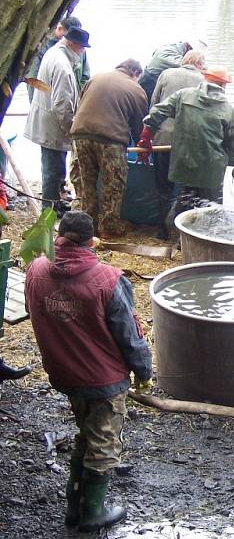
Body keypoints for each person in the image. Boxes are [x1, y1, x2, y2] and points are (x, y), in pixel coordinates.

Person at [25, 211, 152, 532]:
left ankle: (74, 502)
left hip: (66, 375)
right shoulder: (108, 280)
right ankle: (92, 512)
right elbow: (130, 336)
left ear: (58, 237)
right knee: (105, 444)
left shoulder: (36, 269)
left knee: (88, 432)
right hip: (103, 380)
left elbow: (34, 311)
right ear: (92, 242)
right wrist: (144, 372)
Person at [138, 66, 234, 226]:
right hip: (211, 169)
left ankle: (167, 232)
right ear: (223, 86)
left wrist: (145, 140)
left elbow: (155, 115)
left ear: (205, 79)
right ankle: (199, 237)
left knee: (187, 196)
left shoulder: (183, 95)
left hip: (184, 163)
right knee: (211, 208)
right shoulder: (228, 110)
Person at [69, 59, 148, 237]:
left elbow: (80, 105)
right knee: (113, 183)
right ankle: (109, 227)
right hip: (110, 140)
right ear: (136, 74)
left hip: (80, 135)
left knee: (86, 183)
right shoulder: (136, 89)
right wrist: (141, 145)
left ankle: (87, 225)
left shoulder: (95, 78)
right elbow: (139, 127)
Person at [24, 27, 91, 213]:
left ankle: (53, 204)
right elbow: (62, 104)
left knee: (53, 169)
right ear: (73, 44)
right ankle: (49, 209)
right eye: (82, 47)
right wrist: (70, 129)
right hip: (53, 126)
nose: (83, 52)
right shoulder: (62, 66)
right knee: (53, 171)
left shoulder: (53, 53)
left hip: (47, 122)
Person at [149, 50, 207, 239]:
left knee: (163, 187)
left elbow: (154, 105)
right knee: (186, 187)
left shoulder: (166, 74)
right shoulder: (204, 80)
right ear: (201, 64)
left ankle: (162, 231)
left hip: (163, 139)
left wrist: (148, 135)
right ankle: (182, 231)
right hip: (189, 143)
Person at [26, 16, 90, 101]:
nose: (72, 41)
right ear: (59, 29)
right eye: (69, 36)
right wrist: (35, 102)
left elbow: (85, 77)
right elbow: (33, 79)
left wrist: (79, 98)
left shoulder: (79, 47)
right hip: (50, 101)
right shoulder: (43, 49)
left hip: (74, 101)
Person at [138, 38, 206, 103]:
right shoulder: (170, 53)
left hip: (154, 78)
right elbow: (188, 64)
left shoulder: (174, 47)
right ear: (189, 48)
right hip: (149, 81)